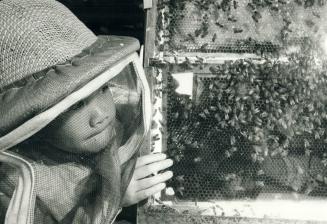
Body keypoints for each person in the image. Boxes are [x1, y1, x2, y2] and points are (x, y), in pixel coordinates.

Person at [0, 0, 172, 223]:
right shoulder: (16, 186)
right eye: (76, 105)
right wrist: (113, 199)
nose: (101, 115)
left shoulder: (117, 126)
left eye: (102, 89)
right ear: (35, 123)